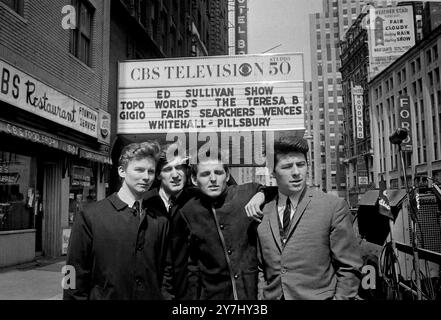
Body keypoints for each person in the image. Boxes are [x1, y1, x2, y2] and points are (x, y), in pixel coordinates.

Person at [254, 136, 363, 300]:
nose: (296, 172)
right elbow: (261, 266)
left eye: (301, 165)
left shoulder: (332, 206)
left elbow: (349, 267)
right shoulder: (262, 210)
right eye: (287, 167)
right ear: (273, 171)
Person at [63, 141, 170, 300]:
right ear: (122, 171)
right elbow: (72, 271)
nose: (146, 177)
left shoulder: (160, 220)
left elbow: (166, 274)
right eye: (139, 170)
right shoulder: (90, 216)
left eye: (151, 171)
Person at [173, 152, 266, 300]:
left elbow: (278, 191)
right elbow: (191, 267)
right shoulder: (187, 212)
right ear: (194, 179)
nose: (213, 179)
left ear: (227, 176)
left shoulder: (247, 193)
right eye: (205, 174)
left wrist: (261, 194)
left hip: (253, 293)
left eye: (218, 172)